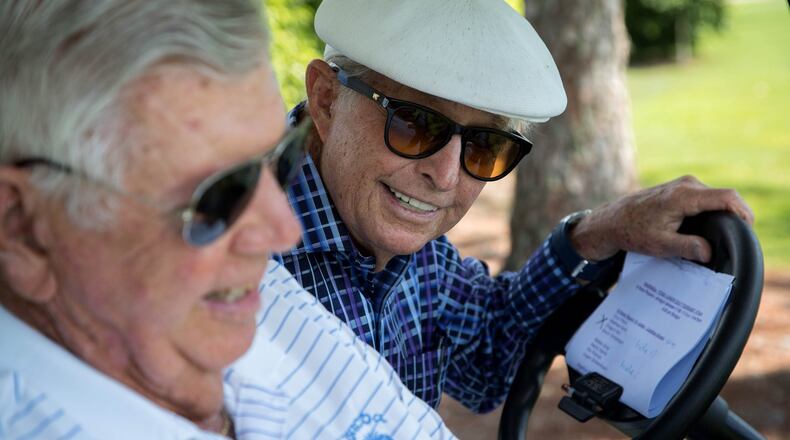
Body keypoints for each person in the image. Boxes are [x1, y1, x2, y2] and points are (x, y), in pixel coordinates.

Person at [0, 2, 457, 439]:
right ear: (24, 231)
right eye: (219, 196)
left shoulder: (255, 298)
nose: (283, 231)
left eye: (278, 161)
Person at [275, 0, 755, 413]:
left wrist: (598, 233)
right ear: (326, 99)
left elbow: (486, 352)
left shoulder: (414, 253)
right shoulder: (233, 249)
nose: (445, 176)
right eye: (414, 125)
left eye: (484, 146)